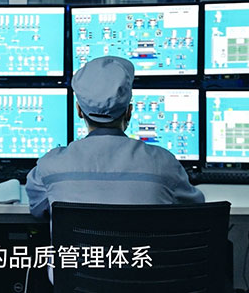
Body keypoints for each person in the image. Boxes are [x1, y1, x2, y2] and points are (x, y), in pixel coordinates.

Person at [25, 56, 204, 219]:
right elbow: (195, 210)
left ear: (79, 110)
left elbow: (38, 210)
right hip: (141, 246)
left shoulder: (49, 166)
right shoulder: (164, 164)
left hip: (75, 248)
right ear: (129, 112)